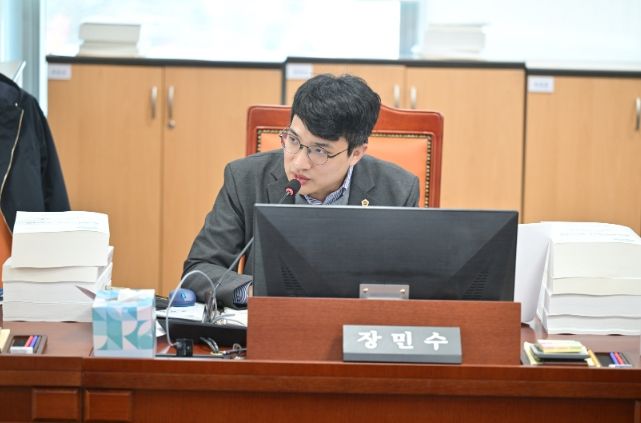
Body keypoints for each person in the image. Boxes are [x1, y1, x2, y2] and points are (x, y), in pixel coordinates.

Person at [183, 74, 419, 308]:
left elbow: (414, 286)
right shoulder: (245, 178)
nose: (298, 163)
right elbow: (199, 270)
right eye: (293, 140)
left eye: (320, 151)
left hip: (356, 322)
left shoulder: (398, 190)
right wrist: (254, 293)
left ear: (356, 154)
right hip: (274, 322)